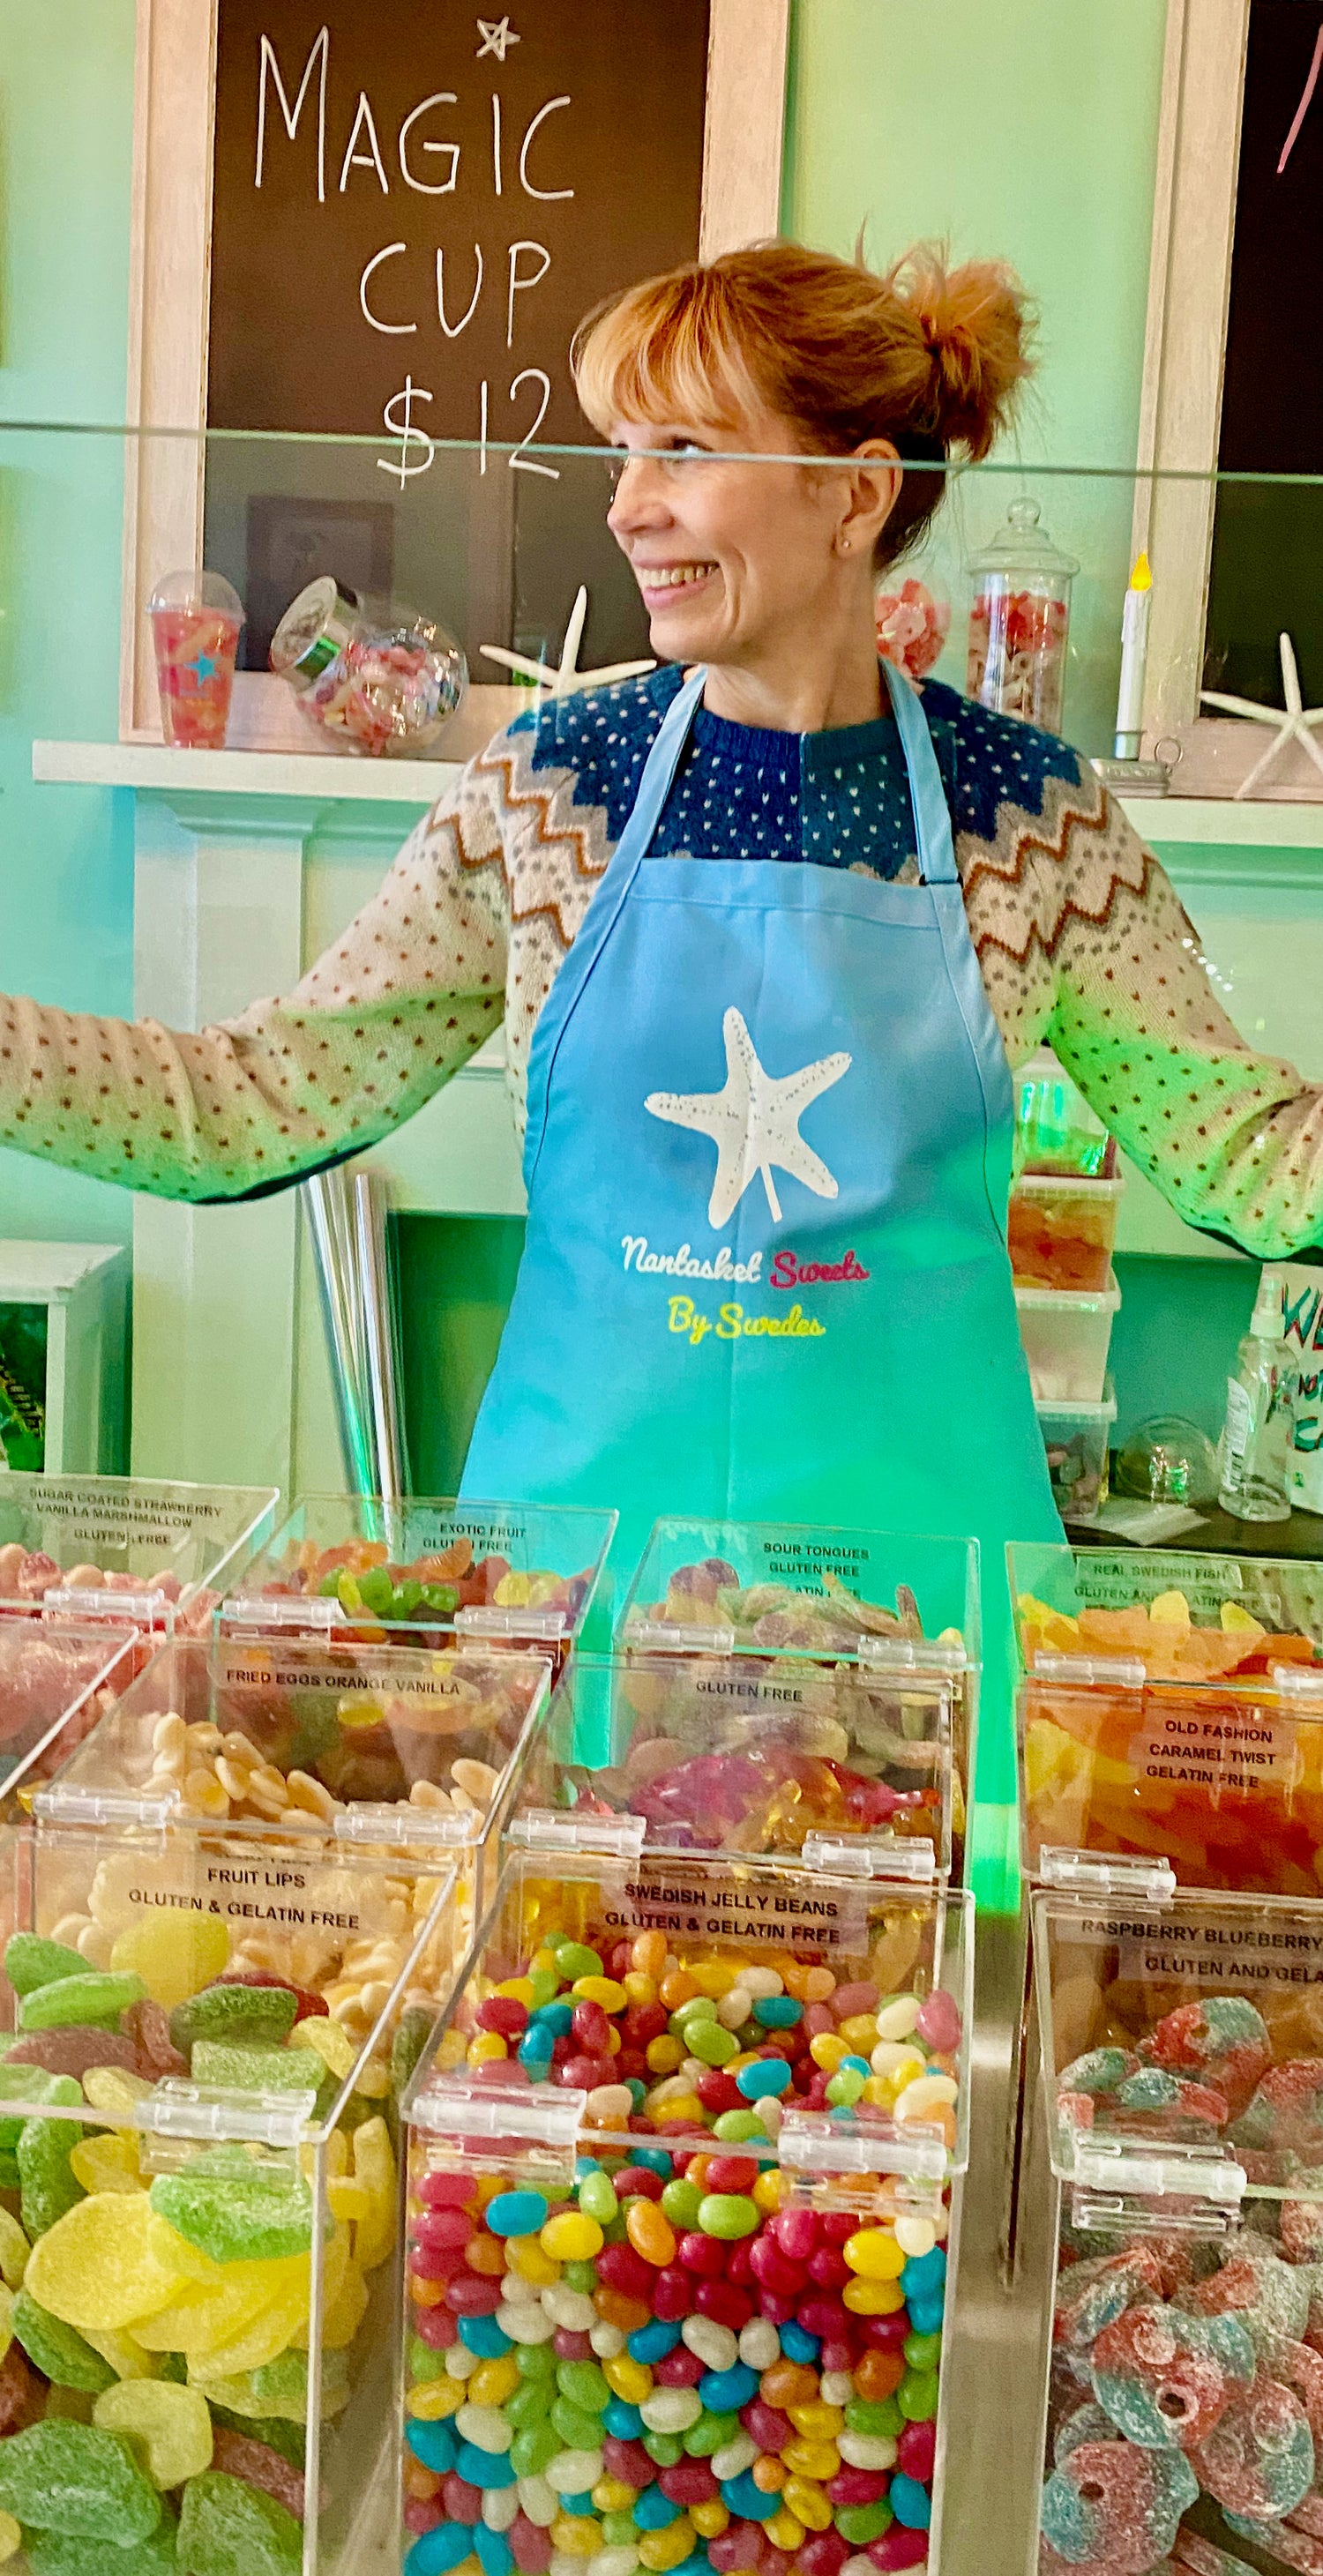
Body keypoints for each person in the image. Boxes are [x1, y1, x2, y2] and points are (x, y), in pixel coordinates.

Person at [3, 242, 1321, 1809]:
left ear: (853, 494)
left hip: (920, 1636)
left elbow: (1239, 1149)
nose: (626, 504)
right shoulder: (550, 786)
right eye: (622, 452)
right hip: (578, 1619)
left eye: (684, 452)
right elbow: (250, 1097)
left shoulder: (1025, 816)